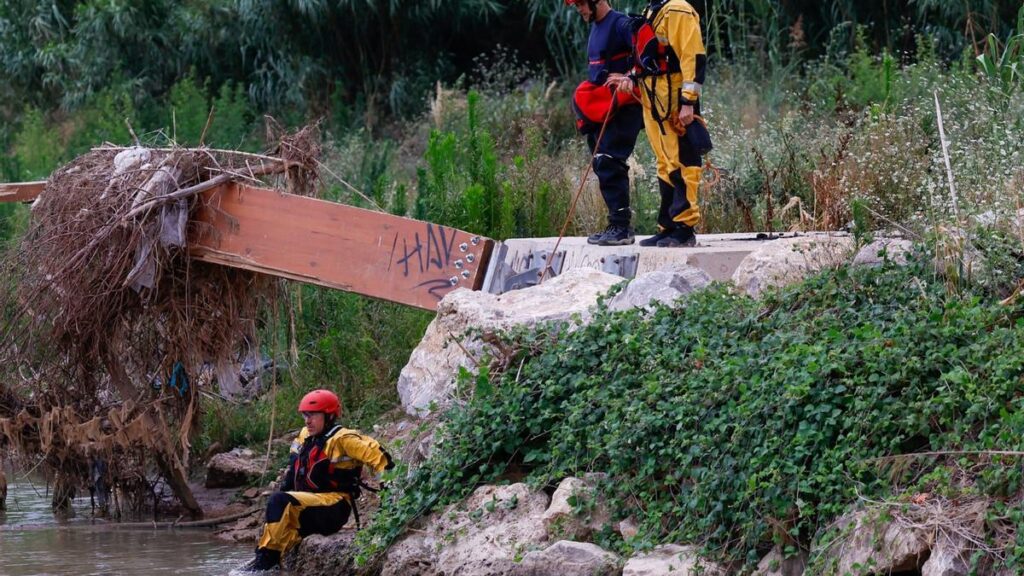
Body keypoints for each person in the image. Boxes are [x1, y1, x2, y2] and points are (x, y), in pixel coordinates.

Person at [246, 389, 394, 572]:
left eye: (313, 415)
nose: (308, 421)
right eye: (305, 415)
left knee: (279, 501)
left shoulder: (344, 439)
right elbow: (293, 472)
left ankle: (266, 563)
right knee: (278, 504)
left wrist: (389, 497)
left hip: (334, 507)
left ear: (329, 416)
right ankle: (266, 562)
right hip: (309, 506)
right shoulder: (304, 435)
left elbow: (381, 458)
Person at [612, 0, 710, 247]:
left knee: (683, 162)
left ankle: (685, 227)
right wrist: (632, 76)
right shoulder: (653, 10)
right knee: (665, 163)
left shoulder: (678, 9)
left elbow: (693, 57)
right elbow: (652, 55)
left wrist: (688, 102)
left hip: (675, 101)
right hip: (654, 99)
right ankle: (668, 225)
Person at [567, 0, 644, 246]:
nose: (579, 9)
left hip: (626, 106)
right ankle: (616, 225)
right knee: (601, 162)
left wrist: (630, 76)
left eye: (581, 3)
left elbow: (648, 51)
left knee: (610, 161)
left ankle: (621, 229)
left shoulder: (621, 23)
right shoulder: (596, 27)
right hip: (604, 107)